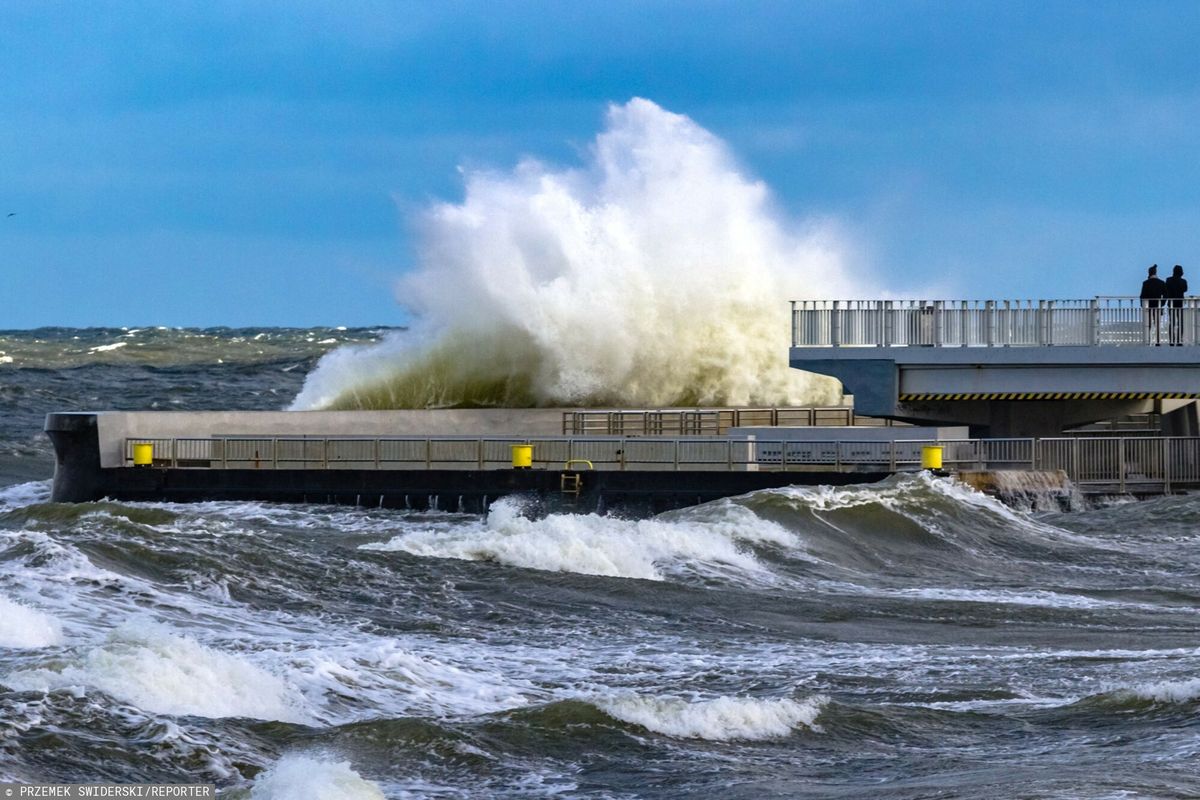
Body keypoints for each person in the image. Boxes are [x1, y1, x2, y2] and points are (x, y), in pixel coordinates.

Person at [1140, 264, 1166, 345]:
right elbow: (1166, 295)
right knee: (1158, 325)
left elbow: (1142, 296)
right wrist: (1162, 304)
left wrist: (1143, 305)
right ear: (1156, 272)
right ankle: (1158, 341)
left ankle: (1148, 340)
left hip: (1148, 307)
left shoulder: (1146, 283)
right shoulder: (1161, 283)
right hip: (1158, 306)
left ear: (1149, 273)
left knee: (1148, 325)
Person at [1165, 264, 1188, 345]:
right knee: (1180, 323)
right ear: (1181, 272)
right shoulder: (1183, 281)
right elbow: (1185, 289)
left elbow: (1166, 289)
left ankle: (1171, 340)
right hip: (1180, 304)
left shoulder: (1168, 280)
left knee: (1172, 323)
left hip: (1171, 304)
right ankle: (1179, 340)